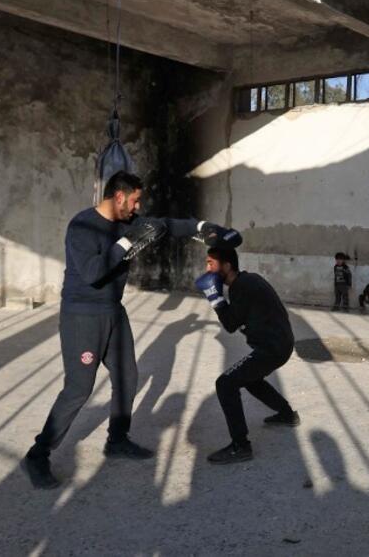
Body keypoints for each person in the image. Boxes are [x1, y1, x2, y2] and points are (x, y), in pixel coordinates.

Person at [21, 171, 238, 489]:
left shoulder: (130, 221)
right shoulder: (81, 226)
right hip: (82, 315)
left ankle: (117, 440)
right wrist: (127, 241)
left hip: (113, 311)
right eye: (135, 200)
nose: (138, 207)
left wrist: (206, 229)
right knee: (79, 389)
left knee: (127, 376)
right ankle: (37, 455)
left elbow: (166, 224)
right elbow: (94, 272)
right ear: (119, 197)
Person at [196, 245, 299, 464]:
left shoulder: (241, 286)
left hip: (272, 347)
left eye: (211, 263)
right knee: (250, 380)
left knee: (225, 384)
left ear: (227, 265)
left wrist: (215, 298)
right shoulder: (246, 281)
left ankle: (240, 446)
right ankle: (287, 414)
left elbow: (231, 324)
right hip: (278, 344)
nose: (207, 268)